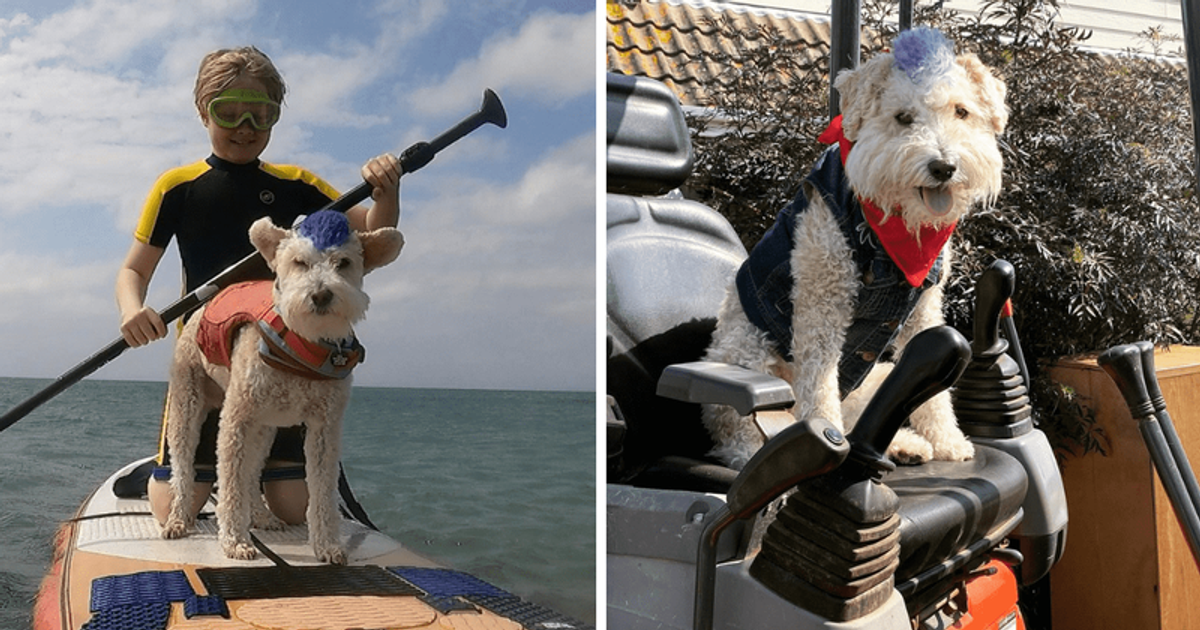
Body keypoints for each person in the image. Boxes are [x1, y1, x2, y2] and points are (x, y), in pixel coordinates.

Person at [115, 46, 402, 526]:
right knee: (173, 512)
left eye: (260, 114)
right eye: (228, 112)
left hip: (287, 362)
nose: (245, 126)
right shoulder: (177, 187)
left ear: (275, 116)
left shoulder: (298, 184)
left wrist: (386, 190)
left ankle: (262, 467)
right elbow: (133, 271)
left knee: (292, 511)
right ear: (202, 112)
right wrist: (132, 309)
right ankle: (168, 469)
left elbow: (373, 233)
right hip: (207, 357)